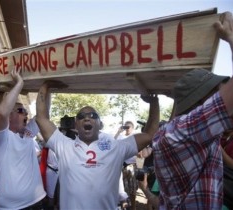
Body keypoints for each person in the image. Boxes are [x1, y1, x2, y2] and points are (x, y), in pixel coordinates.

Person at [152, 12, 233, 209]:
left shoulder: (192, 134)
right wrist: (231, 39)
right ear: (204, 99)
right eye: (221, 89)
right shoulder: (180, 132)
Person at [35, 83, 159, 210]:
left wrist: (154, 103)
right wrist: (46, 85)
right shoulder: (64, 145)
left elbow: (149, 134)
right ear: (76, 126)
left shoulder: (116, 147)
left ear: (100, 125)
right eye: (81, 116)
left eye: (93, 116)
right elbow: (41, 118)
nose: (87, 118)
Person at [0, 67, 46, 209]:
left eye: (26, 112)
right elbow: (1, 114)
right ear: (10, 115)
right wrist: (19, 83)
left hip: (37, 201)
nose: (26, 114)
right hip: (11, 207)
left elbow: (43, 115)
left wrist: (47, 87)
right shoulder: (1, 138)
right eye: (21, 111)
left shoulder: (28, 133)